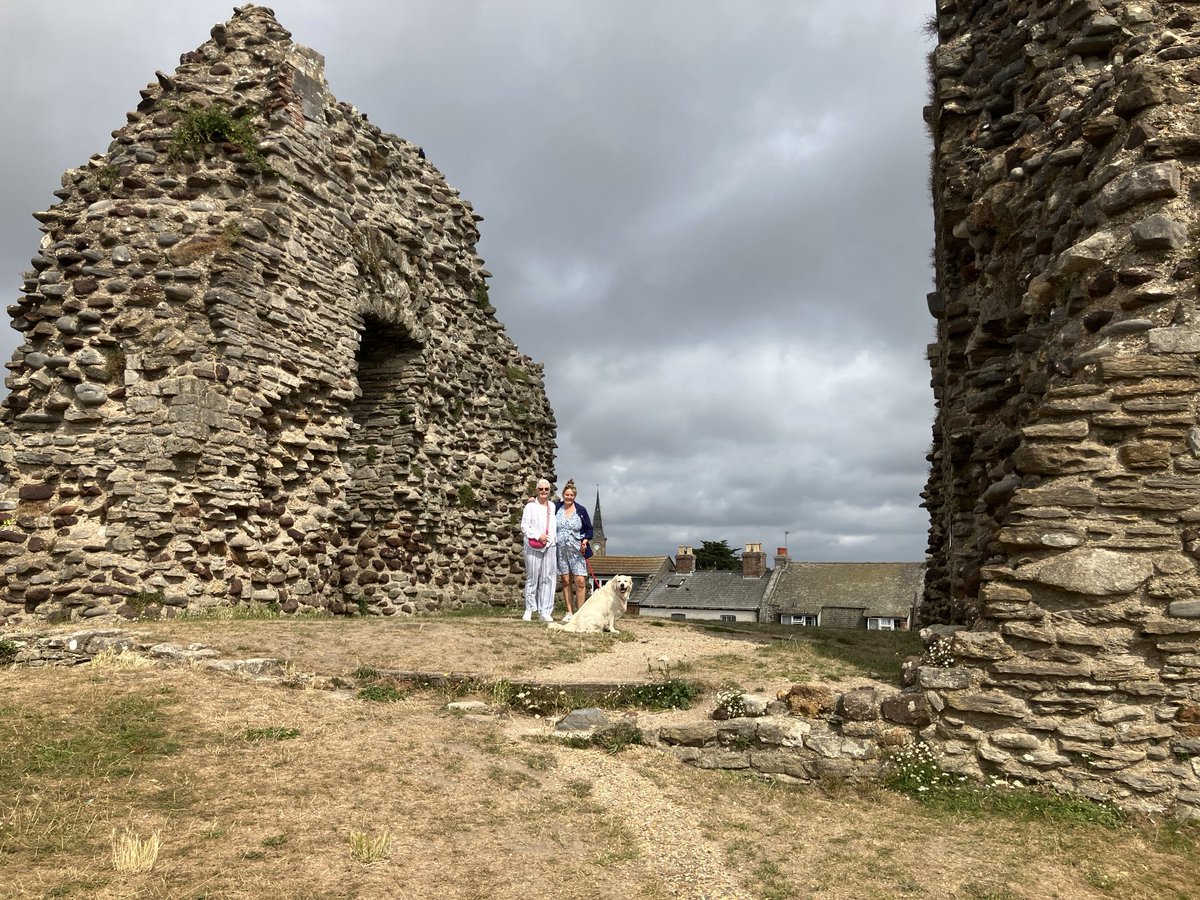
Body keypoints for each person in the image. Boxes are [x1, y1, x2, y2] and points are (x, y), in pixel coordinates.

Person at [554, 479, 594, 624]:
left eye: (572, 495)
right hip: (561, 549)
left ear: (575, 496)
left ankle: (581, 612)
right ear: (563, 495)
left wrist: (585, 540)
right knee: (565, 580)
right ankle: (569, 612)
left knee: (580, 581)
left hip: (576, 550)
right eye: (567, 495)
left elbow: (589, 529)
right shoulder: (556, 508)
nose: (569, 497)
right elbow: (543, 506)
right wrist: (533, 500)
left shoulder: (581, 510)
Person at [520, 478, 558, 622]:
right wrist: (538, 535)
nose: (543, 491)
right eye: (541, 489)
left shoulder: (552, 506)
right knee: (532, 577)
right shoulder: (530, 506)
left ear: (549, 491)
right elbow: (524, 526)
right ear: (536, 490)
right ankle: (529, 609)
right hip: (533, 545)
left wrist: (550, 540)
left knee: (548, 578)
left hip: (550, 546)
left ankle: (545, 611)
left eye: (546, 489)